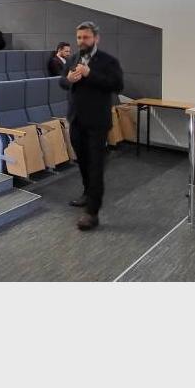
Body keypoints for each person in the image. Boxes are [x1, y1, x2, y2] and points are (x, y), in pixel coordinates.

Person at [59, 21, 125, 231]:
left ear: (96, 38)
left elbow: (117, 85)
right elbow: (61, 82)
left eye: (86, 37)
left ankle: (92, 213)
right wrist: (69, 79)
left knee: (96, 165)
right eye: (79, 37)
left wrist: (90, 74)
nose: (82, 41)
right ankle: (88, 193)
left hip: (97, 122)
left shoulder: (108, 61)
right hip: (76, 120)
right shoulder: (72, 59)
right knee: (83, 162)